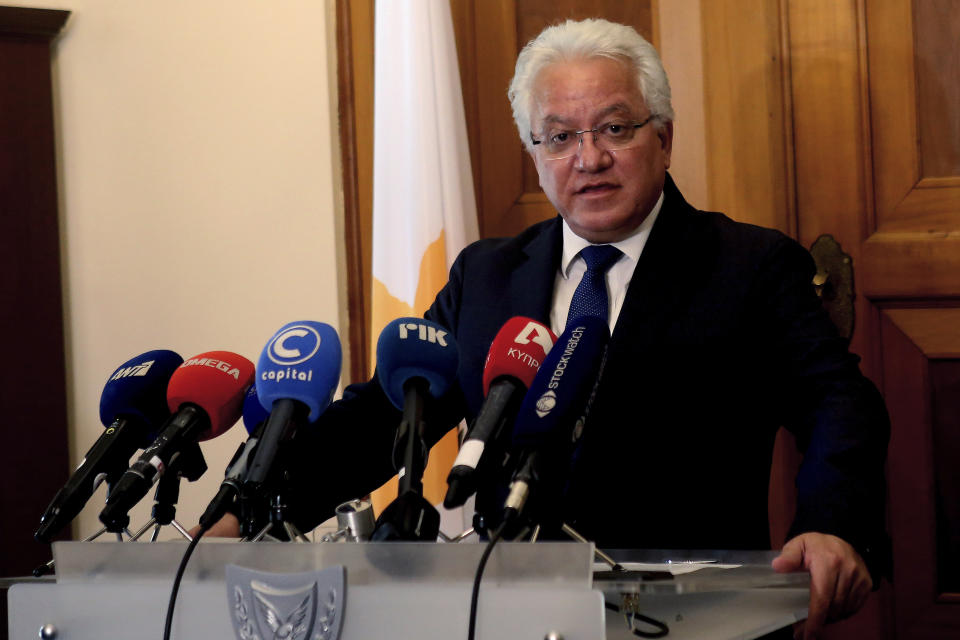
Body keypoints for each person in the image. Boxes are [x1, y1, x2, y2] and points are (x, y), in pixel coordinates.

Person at [208, 18, 889, 640]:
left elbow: (838, 402)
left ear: (665, 137)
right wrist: (253, 510)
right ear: (535, 151)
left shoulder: (748, 265)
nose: (588, 158)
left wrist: (833, 524)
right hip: (512, 618)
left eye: (615, 129)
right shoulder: (488, 277)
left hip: (692, 619)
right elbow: (391, 411)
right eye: (560, 136)